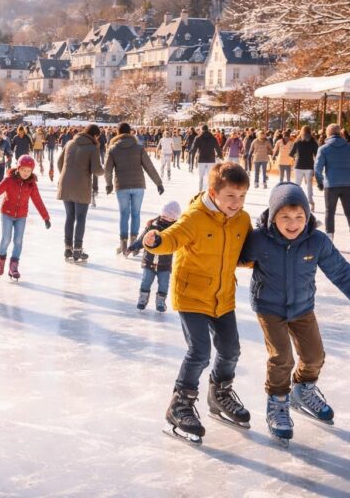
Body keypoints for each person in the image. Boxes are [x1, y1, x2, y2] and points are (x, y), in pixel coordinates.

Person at [143, 162, 253, 444]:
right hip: (191, 295)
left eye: (241, 197)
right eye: (230, 196)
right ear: (213, 192)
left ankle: (220, 394)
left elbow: (247, 250)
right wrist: (155, 241)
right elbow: (173, 237)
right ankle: (179, 405)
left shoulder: (242, 220)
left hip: (223, 296)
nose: (236, 203)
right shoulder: (195, 218)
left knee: (231, 350)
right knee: (200, 351)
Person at [240, 183, 350, 444]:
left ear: (308, 216)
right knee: (282, 358)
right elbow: (229, 256)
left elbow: (341, 272)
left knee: (314, 356)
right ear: (273, 215)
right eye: (285, 217)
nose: (293, 223)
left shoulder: (317, 241)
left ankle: (302, 390)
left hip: (302, 307)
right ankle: (278, 402)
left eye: (299, 216)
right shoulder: (258, 239)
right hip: (269, 306)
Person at [0, 154, 51, 280]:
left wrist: (46, 217)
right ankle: (0, 261)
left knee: (18, 241)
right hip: (7, 214)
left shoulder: (31, 185)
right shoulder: (9, 181)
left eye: (29, 171)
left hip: (21, 216)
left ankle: (14, 266)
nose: (26, 173)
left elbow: (38, 201)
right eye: (24, 170)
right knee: (6, 239)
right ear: (18, 168)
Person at [104, 122, 164, 257]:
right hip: (138, 185)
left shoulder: (113, 149)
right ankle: (134, 244)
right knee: (136, 213)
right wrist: (158, 183)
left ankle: (124, 244)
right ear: (130, 132)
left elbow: (107, 170)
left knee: (124, 214)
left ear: (118, 133)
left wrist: (108, 184)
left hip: (122, 185)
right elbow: (149, 166)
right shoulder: (138, 147)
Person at [56, 124, 103, 262]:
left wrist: (67, 175)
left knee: (69, 216)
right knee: (80, 217)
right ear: (95, 135)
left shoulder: (70, 142)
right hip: (82, 185)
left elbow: (60, 162)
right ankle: (77, 248)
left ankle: (67, 247)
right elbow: (96, 170)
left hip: (65, 184)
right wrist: (105, 169)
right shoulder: (92, 147)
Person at [128, 201, 181, 312]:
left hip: (165, 263)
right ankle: (143, 299)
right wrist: (133, 247)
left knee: (164, 283)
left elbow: (179, 243)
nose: (167, 219)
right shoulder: (152, 226)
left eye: (171, 218)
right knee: (146, 281)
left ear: (175, 219)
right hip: (149, 261)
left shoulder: (174, 230)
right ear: (162, 214)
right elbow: (143, 239)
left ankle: (160, 301)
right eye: (165, 216)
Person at [315, 123, 350, 240]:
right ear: (340, 133)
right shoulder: (348, 147)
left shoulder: (323, 149)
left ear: (327, 134)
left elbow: (317, 169)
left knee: (330, 211)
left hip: (331, 184)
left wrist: (320, 182)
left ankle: (330, 236)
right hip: (348, 184)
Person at [290, 125, 320, 212]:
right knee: (309, 186)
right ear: (310, 131)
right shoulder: (313, 142)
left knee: (297, 185)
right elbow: (317, 154)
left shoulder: (297, 141)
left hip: (298, 165)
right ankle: (311, 202)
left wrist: (297, 156)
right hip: (309, 166)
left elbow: (291, 154)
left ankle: (295, 202)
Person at [190, 124, 221, 192]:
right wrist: (220, 156)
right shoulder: (213, 138)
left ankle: (200, 191)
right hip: (211, 159)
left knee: (201, 177)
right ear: (208, 129)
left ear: (202, 130)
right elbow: (218, 148)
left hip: (201, 159)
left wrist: (191, 161)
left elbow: (193, 149)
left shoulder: (198, 138)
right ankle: (209, 191)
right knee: (210, 176)